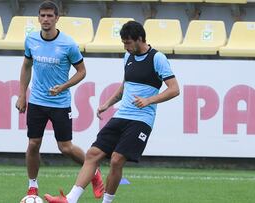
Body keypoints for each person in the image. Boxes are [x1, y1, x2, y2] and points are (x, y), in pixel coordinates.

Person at [44, 20, 180, 203]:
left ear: (140, 39)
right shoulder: (128, 57)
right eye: (123, 43)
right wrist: (107, 104)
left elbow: (174, 89)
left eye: (128, 42)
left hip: (141, 120)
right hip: (121, 115)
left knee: (116, 159)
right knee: (92, 154)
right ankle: (70, 199)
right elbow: (125, 86)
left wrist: (149, 100)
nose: (125, 46)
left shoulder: (158, 58)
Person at [15, 0, 104, 199]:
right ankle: (32, 186)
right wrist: (22, 95)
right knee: (33, 144)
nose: (46, 19)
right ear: (38, 18)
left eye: (50, 16)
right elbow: (26, 67)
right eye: (43, 15)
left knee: (65, 147)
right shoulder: (31, 39)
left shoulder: (68, 44)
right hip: (37, 101)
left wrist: (63, 87)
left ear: (57, 18)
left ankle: (94, 172)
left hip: (60, 103)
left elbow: (82, 72)